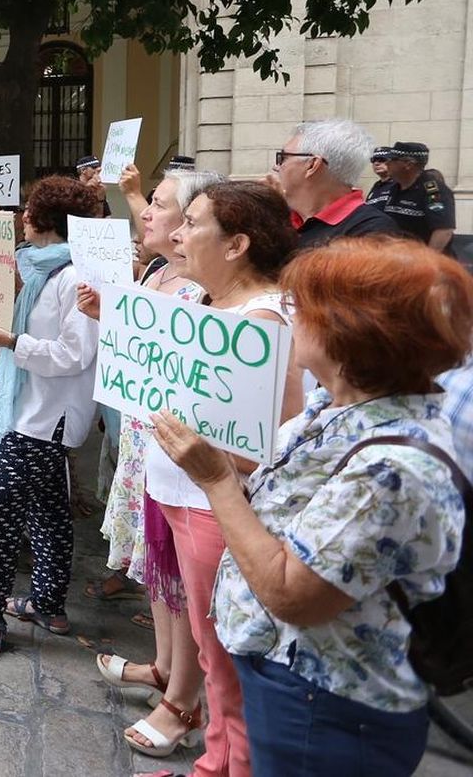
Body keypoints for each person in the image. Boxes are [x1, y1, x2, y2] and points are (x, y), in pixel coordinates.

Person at [153, 237, 472, 777]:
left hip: (326, 700)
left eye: (303, 309)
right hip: (291, 676)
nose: (290, 316)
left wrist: (213, 478)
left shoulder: (390, 471)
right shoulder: (341, 402)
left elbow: (290, 594)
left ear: (349, 331)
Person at [138, 180, 305, 773]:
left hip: (217, 510)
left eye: (194, 223)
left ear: (236, 245)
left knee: (226, 657)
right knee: (214, 653)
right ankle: (215, 762)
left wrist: (205, 450)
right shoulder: (214, 306)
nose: (178, 234)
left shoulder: (260, 321)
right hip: (188, 499)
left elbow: (277, 444)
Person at [78, 167, 222, 756]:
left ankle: (183, 697)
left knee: (181, 578)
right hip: (145, 446)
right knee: (158, 573)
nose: (145, 213)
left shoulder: (199, 290)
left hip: (175, 451)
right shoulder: (158, 272)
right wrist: (106, 317)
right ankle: (165, 665)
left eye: (160, 207)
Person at [0, 177, 101, 663]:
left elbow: (75, 352)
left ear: (48, 220)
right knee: (48, 509)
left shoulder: (74, 277)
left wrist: (13, 344)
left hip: (48, 417)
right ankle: (48, 605)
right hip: (28, 409)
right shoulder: (40, 268)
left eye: (28, 210)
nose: (22, 215)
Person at [271, 119, 400, 247]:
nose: (276, 167)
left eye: (283, 158)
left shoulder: (371, 232)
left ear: (312, 165)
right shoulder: (281, 217)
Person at [376, 142, 456, 251]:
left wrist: (427, 260)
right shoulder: (394, 187)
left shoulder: (433, 190)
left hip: (422, 262)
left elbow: (443, 230)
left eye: (392, 160)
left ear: (408, 164)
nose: (387, 164)